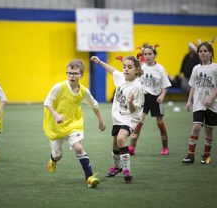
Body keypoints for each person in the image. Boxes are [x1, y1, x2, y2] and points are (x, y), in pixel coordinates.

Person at [43, 59, 106, 188]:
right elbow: (47, 103)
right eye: (69, 73)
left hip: (73, 123)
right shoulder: (59, 87)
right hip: (55, 126)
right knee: (57, 155)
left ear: (81, 75)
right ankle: (53, 160)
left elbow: (95, 105)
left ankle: (89, 178)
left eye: (75, 73)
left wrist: (101, 121)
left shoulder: (84, 91)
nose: (71, 76)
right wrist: (56, 115)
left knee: (78, 147)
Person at [90, 54, 144, 183]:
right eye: (124, 66)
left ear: (136, 70)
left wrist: (130, 102)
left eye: (129, 67)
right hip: (118, 116)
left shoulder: (137, 87)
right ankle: (116, 167)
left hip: (131, 117)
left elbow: (133, 110)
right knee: (115, 142)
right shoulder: (121, 77)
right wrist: (99, 62)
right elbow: (112, 70)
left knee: (121, 138)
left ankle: (126, 170)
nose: (126, 69)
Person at [129, 44, 172, 155]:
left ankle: (165, 147)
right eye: (145, 54)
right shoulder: (141, 68)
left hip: (156, 98)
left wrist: (162, 95)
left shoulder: (160, 69)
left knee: (160, 123)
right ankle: (132, 147)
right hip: (144, 98)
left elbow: (166, 85)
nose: (147, 56)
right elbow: (135, 81)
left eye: (150, 54)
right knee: (139, 123)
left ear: (154, 55)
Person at [182, 41, 217, 164]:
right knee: (196, 127)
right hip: (198, 103)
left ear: (211, 53)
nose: (202, 53)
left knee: (208, 130)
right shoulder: (196, 68)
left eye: (205, 51)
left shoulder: (215, 67)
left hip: (212, 105)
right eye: (200, 51)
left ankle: (206, 156)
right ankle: (190, 155)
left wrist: (211, 97)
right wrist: (189, 101)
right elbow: (192, 85)